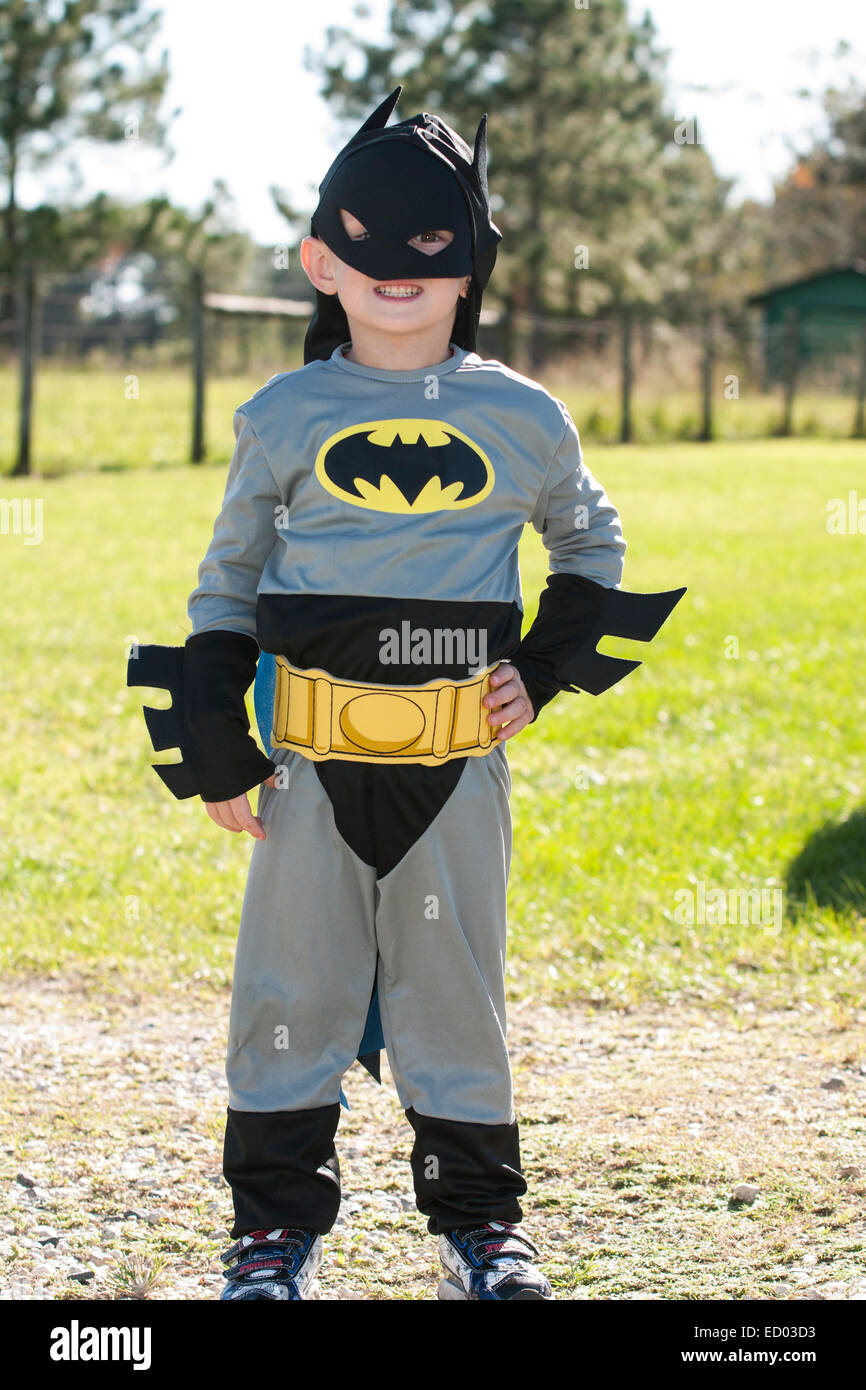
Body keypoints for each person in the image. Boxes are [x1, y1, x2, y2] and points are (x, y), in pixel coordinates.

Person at [128, 86, 683, 1301]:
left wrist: (538, 675)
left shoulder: (523, 417)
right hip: (309, 767)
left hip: (455, 764)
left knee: (455, 998)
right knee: (289, 993)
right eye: (365, 241)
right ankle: (272, 1233)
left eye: (430, 242)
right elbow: (226, 585)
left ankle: (481, 1226)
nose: (397, 268)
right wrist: (218, 740)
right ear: (321, 258)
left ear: (471, 261)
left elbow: (590, 550)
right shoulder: (282, 416)